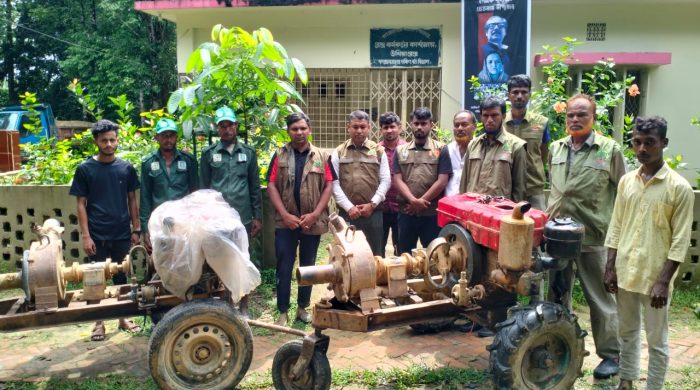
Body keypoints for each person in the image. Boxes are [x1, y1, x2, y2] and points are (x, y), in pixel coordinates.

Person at [604, 116, 694, 390]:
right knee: (627, 332)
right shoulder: (626, 182)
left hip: (655, 276)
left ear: (663, 143)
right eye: (637, 142)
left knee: (657, 340)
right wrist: (610, 266)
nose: (642, 149)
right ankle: (626, 381)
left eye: (650, 143)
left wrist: (663, 281)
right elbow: (616, 225)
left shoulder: (679, 188)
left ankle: (654, 386)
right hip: (626, 271)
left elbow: (680, 240)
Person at [547, 93, 624, 379]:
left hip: (593, 237)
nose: (575, 119)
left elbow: (623, 193)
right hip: (557, 238)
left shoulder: (609, 150)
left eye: (582, 114)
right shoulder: (556, 148)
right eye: (570, 115)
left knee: (600, 299)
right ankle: (560, 346)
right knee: (557, 295)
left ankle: (611, 355)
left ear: (593, 117)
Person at [69, 119, 141, 341]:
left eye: (112, 140)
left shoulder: (126, 168)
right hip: (97, 234)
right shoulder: (85, 169)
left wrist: (136, 228)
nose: (109, 144)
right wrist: (86, 235)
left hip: (121, 232)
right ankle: (98, 323)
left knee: (122, 277)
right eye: (104, 141)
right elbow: (81, 203)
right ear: (96, 142)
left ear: (117, 140)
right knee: (94, 278)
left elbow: (132, 199)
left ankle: (123, 318)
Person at [267, 113, 334, 326]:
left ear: (309, 129)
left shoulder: (322, 156)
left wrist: (315, 214)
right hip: (285, 223)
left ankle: (302, 308)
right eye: (295, 129)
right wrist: (285, 216)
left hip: (311, 223)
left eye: (303, 128)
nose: (299, 132)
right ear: (288, 131)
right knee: (284, 266)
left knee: (308, 266)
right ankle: (283, 311)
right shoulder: (279, 155)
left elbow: (329, 186)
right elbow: (271, 185)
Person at [200, 105, 262, 318]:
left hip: (242, 217)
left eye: (230, 125)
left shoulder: (248, 153)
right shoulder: (209, 154)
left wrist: (257, 216)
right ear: (217, 129)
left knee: (242, 259)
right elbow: (204, 188)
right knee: (220, 260)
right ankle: (226, 302)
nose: (226, 129)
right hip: (217, 219)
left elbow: (255, 187)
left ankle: (244, 304)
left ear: (236, 126)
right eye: (222, 126)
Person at [330, 110, 391, 256]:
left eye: (363, 127)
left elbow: (386, 180)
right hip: (348, 214)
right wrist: (349, 207)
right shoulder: (339, 152)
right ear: (348, 128)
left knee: (376, 256)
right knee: (349, 256)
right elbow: (334, 183)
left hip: (373, 214)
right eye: (355, 127)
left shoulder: (378, 151)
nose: (359, 131)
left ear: (369, 127)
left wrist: (372, 204)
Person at [393, 107, 451, 254]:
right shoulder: (400, 151)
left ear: (431, 124)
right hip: (407, 212)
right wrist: (413, 201)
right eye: (416, 123)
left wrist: (421, 202)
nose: (419, 127)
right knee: (405, 255)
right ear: (411, 124)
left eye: (424, 123)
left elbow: (442, 180)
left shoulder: (441, 149)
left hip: (432, 214)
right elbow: (397, 179)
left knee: (434, 255)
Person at [139, 118, 198, 252]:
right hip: (159, 221)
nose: (168, 139)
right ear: (156, 137)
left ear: (176, 137)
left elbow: (195, 193)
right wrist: (145, 228)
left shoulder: (188, 160)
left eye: (171, 135)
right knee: (162, 259)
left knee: (185, 257)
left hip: (184, 221)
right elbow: (145, 196)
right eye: (164, 136)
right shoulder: (148, 163)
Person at [459, 96, 526, 202]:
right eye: (485, 115)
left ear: (503, 116)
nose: (489, 120)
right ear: (481, 117)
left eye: (494, 115)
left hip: (499, 213)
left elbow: (519, 191)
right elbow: (464, 184)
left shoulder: (516, 146)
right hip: (472, 210)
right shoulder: (472, 145)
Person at [503, 74, 551, 210]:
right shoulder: (499, 122)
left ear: (530, 94)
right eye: (515, 92)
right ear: (508, 95)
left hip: (533, 188)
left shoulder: (541, 122)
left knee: (537, 228)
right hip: (507, 188)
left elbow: (543, 153)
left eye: (524, 92)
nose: (519, 96)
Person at [377, 112, 406, 256]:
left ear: (399, 128)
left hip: (401, 206)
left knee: (401, 247)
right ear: (381, 129)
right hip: (380, 207)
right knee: (377, 246)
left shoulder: (407, 149)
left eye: (392, 127)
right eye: (385, 127)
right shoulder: (375, 150)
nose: (389, 130)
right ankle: (380, 276)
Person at [445, 110, 477, 196]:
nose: (459, 128)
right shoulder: (447, 149)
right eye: (456, 125)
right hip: (448, 204)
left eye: (464, 124)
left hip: (470, 205)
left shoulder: (481, 149)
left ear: (474, 126)